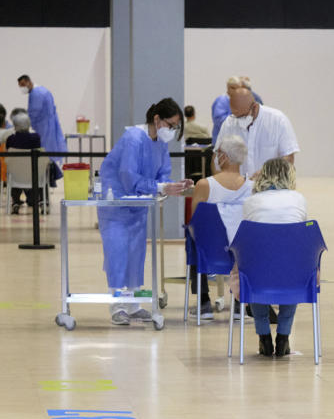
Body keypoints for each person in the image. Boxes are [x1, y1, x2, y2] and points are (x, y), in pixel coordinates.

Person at [97, 98, 192, 326]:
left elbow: (163, 174)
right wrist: (159, 187)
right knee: (118, 252)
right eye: (170, 125)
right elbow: (128, 176)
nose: (171, 131)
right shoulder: (133, 138)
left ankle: (133, 305)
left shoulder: (159, 142)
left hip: (138, 206)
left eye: (175, 127)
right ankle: (117, 305)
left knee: (135, 253)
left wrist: (173, 186)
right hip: (117, 204)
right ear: (157, 119)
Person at [240, 158, 308, 357]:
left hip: (259, 273)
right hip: (292, 273)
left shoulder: (250, 201)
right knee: (291, 266)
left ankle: (263, 337)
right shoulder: (298, 199)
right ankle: (283, 337)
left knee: (253, 270)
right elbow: (302, 237)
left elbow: (246, 238)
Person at [189, 134, 253, 319]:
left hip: (210, 254)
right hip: (241, 254)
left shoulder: (204, 185)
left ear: (223, 156)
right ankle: (239, 303)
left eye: (217, 153)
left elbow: (196, 223)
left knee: (193, 240)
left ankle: (203, 302)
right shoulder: (252, 187)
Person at [215, 87, 299, 178]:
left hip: (271, 186)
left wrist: (266, 173)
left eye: (242, 116)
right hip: (240, 187)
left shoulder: (277, 120)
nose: (238, 120)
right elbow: (217, 157)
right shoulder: (229, 123)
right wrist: (219, 183)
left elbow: (288, 157)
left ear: (254, 107)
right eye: (235, 115)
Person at [17, 75, 65, 188]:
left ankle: (47, 181)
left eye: (23, 85)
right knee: (46, 156)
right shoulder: (40, 91)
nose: (22, 88)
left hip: (44, 129)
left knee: (44, 156)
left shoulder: (37, 94)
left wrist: (25, 120)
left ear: (29, 82)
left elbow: (34, 112)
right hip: (46, 128)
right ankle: (47, 181)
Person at [5, 111, 43, 214]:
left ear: (15, 125)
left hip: (16, 176)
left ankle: (16, 201)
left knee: (14, 171)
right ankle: (42, 200)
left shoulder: (10, 139)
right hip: (34, 175)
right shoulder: (36, 138)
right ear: (28, 124)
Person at [211, 76, 264, 142]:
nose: (238, 91)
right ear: (229, 88)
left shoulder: (249, 98)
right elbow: (220, 120)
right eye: (235, 88)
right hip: (224, 141)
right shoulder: (222, 101)